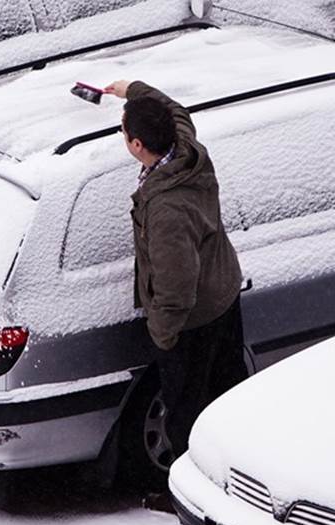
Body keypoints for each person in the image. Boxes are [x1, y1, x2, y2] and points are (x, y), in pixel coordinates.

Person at [103, 80, 248, 485]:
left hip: (193, 321)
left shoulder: (166, 208)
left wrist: (162, 336)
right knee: (227, 396)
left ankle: (195, 494)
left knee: (185, 415)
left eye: (124, 131)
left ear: (136, 145)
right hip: (223, 294)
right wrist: (132, 90)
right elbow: (177, 112)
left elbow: (176, 286)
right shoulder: (187, 152)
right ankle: (239, 479)